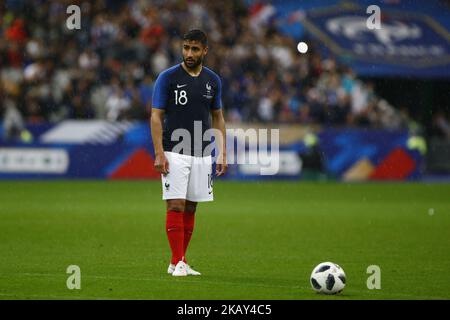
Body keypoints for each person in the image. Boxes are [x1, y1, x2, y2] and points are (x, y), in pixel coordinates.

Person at [150, 29, 227, 277]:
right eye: (186, 48)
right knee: (175, 204)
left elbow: (218, 117)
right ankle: (177, 260)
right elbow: (155, 116)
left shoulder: (213, 80)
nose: (189, 53)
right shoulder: (168, 77)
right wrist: (159, 152)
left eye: (195, 49)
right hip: (174, 150)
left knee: (192, 207)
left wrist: (222, 152)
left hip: (202, 152)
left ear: (205, 50)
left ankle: (179, 262)